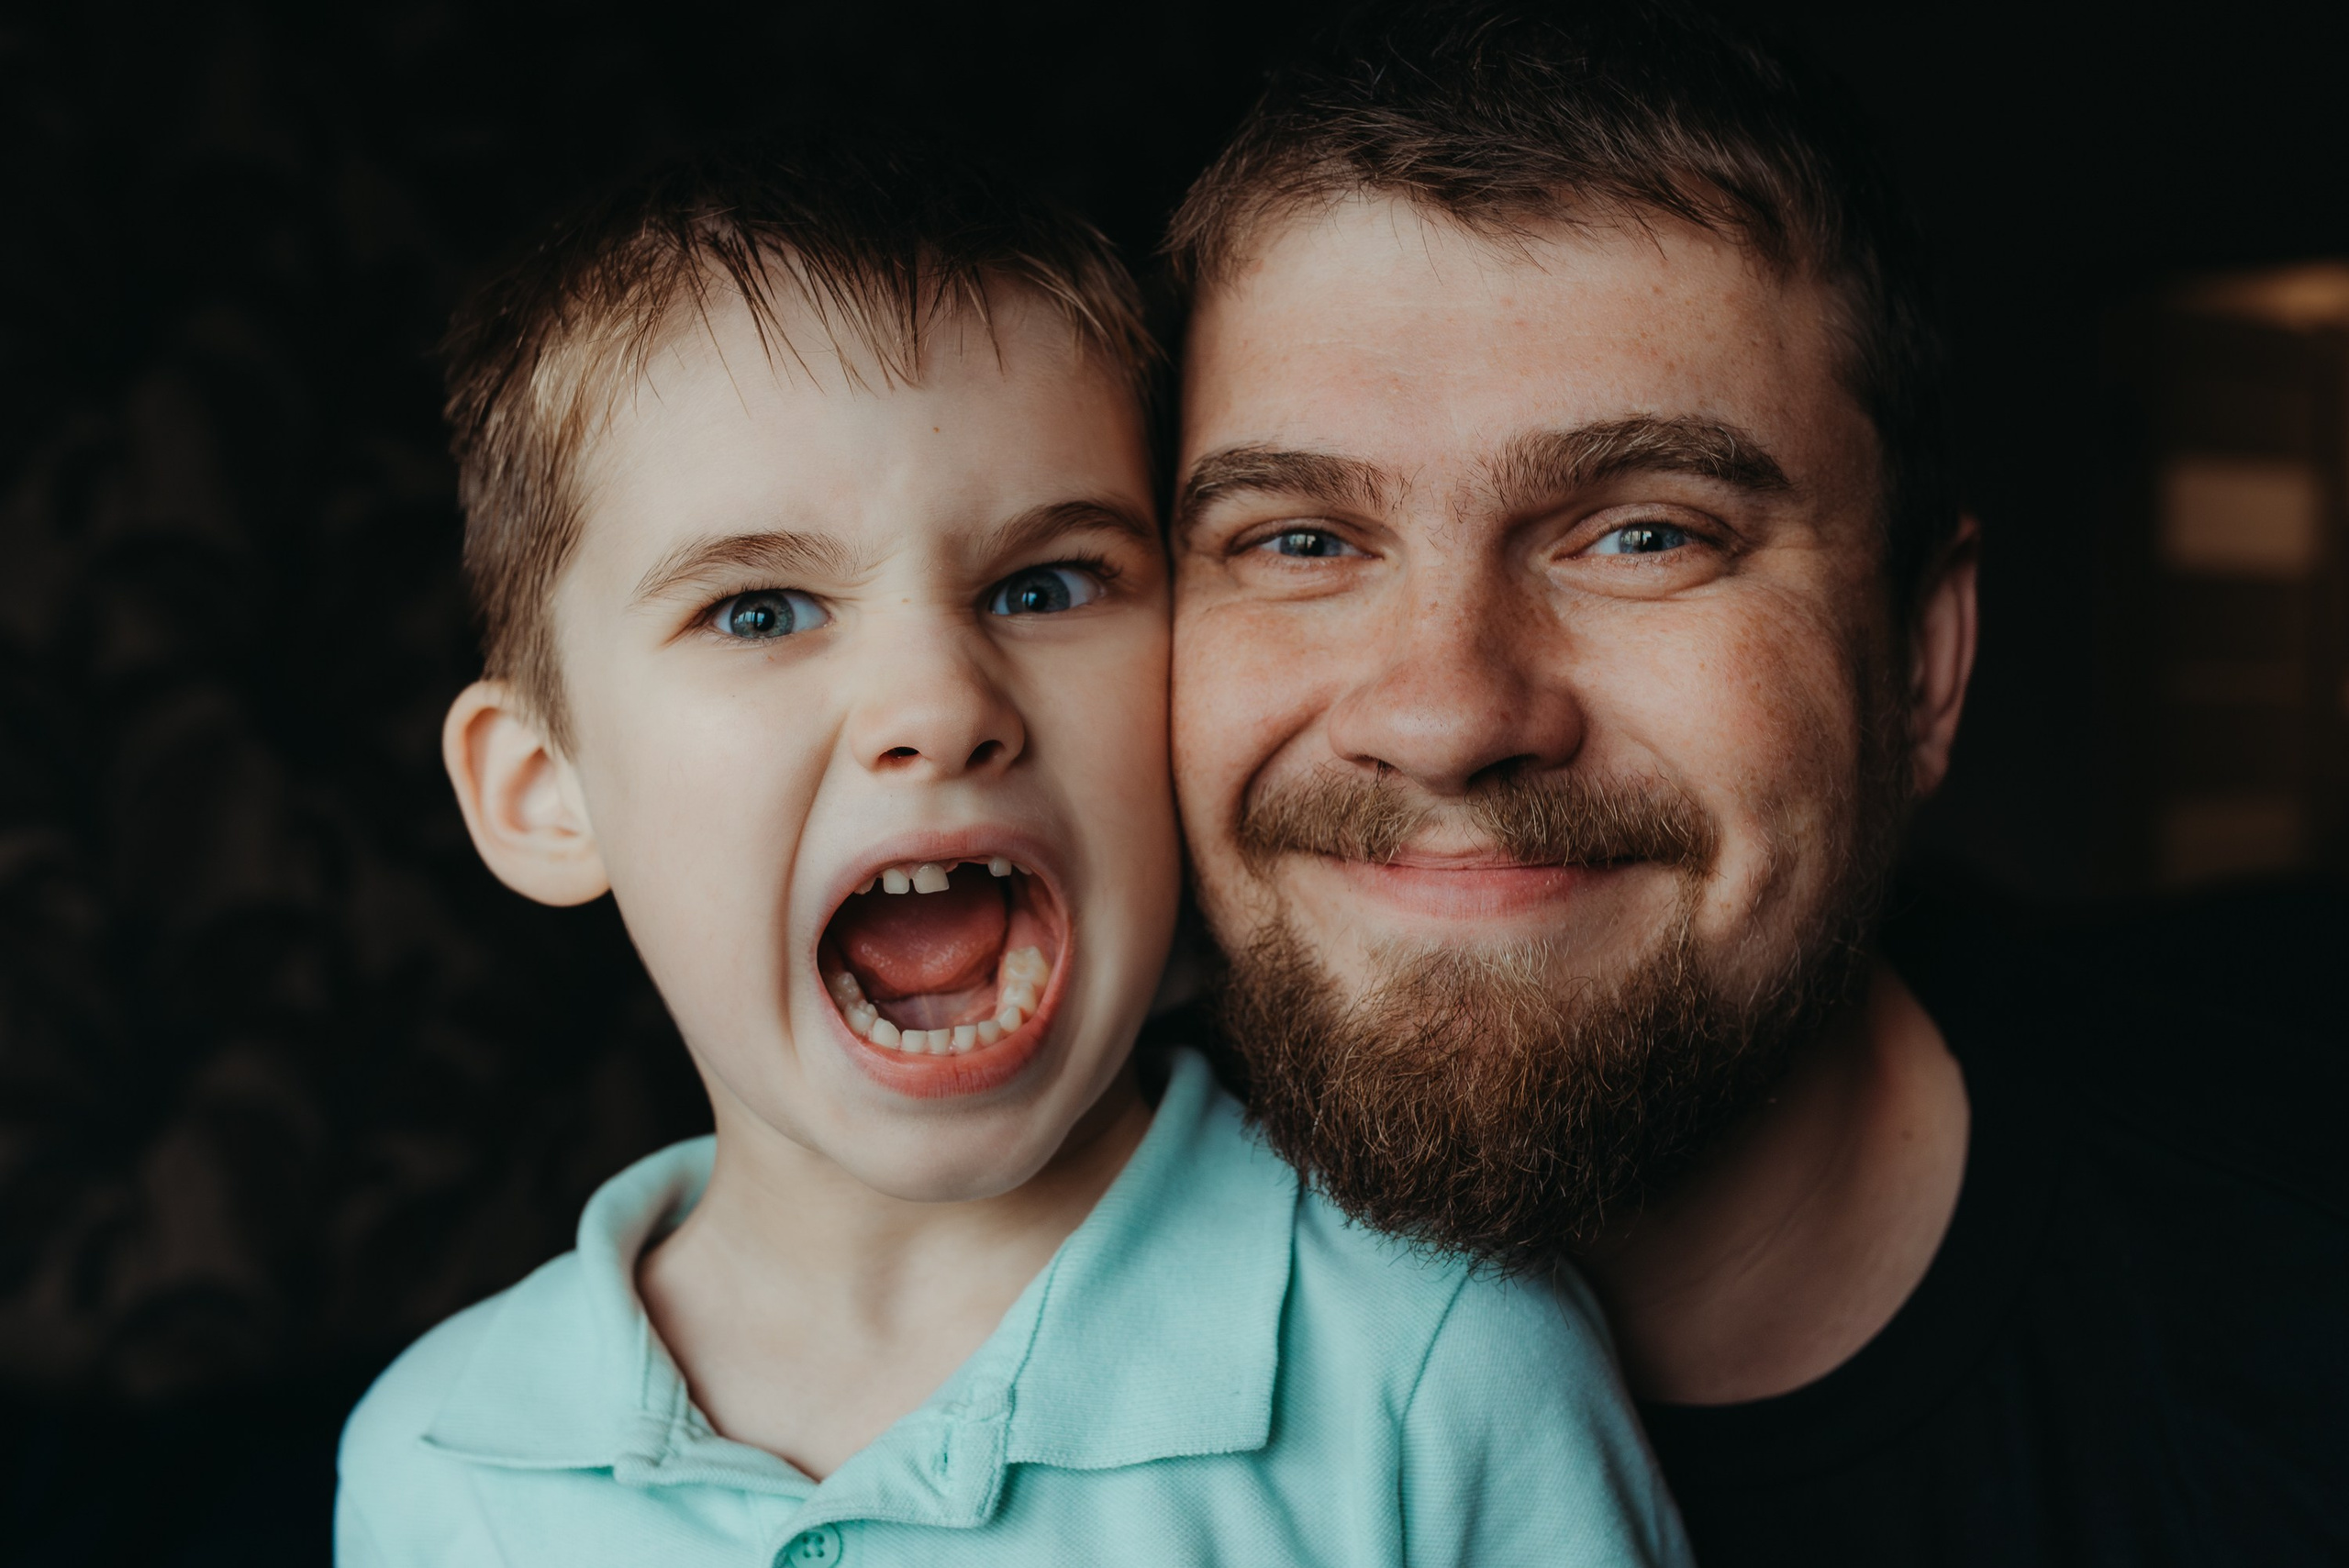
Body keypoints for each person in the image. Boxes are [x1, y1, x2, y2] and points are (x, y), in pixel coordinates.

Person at [333, 138, 1691, 1568]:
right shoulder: (439, 1467)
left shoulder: (1438, 1378)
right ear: (543, 792)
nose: (938, 705)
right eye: (759, 611)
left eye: (1043, 586)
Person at [1162, 4, 2349, 1564]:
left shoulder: (2292, 1338)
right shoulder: (898, 1325)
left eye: (1646, 533)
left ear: (1921, 660)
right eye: (1302, 539)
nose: (1446, 716)